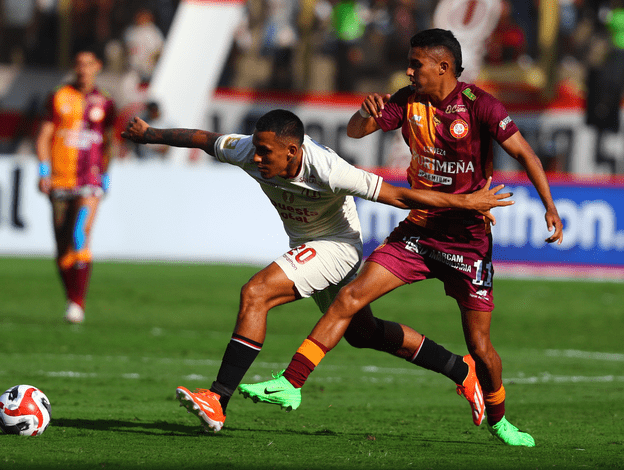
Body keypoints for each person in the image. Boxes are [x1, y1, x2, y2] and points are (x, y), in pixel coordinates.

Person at [238, 29, 564, 447]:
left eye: (416, 64)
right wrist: (363, 113)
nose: (408, 71)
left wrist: (549, 206)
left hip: (467, 241)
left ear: (443, 67)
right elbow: (357, 132)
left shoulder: (480, 105)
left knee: (481, 347)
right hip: (419, 229)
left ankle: (501, 420)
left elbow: (525, 154)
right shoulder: (405, 100)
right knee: (350, 297)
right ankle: (292, 382)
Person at [121, 109, 513, 433]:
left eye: (265, 153)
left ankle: (217, 400)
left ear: (292, 151)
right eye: (256, 150)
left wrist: (466, 203)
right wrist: (150, 133)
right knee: (363, 333)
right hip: (308, 245)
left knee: (256, 293)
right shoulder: (248, 150)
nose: (256, 159)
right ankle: (458, 368)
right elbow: (203, 138)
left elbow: (399, 195)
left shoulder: (328, 169)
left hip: (338, 246)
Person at [35, 48, 116, 324]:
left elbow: (109, 141)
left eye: (88, 64)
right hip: (60, 178)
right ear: (74, 66)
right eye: (79, 64)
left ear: (97, 67)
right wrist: (43, 171)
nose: (83, 69)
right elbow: (44, 135)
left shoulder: (105, 102)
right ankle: (72, 297)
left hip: (89, 179)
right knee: (61, 248)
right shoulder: (58, 96)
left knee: (80, 234)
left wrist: (105, 173)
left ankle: (77, 304)